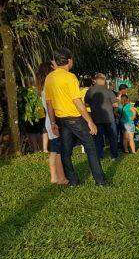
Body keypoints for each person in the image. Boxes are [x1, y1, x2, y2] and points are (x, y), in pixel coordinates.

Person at [44, 48, 106, 186]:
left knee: (66, 152)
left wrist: (53, 122)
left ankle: (73, 181)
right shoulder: (70, 77)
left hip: (61, 120)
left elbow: (49, 103)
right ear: (69, 60)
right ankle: (100, 181)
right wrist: (90, 121)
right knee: (91, 148)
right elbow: (77, 101)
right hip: (75, 118)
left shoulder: (49, 77)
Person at [37, 61, 67, 185]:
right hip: (54, 121)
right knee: (58, 150)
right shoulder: (49, 88)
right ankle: (61, 178)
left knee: (54, 150)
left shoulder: (44, 88)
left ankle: (54, 177)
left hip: (49, 122)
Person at [84, 73, 119, 160]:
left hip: (96, 118)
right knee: (112, 137)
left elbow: (86, 103)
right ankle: (114, 155)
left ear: (95, 80)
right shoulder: (108, 91)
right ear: (103, 80)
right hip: (109, 118)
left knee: (98, 138)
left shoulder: (90, 91)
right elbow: (115, 104)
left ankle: (99, 155)